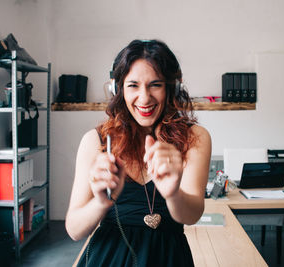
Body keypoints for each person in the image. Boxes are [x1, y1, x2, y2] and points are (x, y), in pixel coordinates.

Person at [66, 39, 211, 267]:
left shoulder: (195, 138)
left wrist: (173, 193)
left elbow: (191, 216)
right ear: (118, 88)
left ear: (171, 87)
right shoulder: (95, 141)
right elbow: (74, 230)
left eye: (155, 84)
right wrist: (101, 203)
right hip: (108, 259)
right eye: (133, 85)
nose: (144, 98)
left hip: (169, 259)